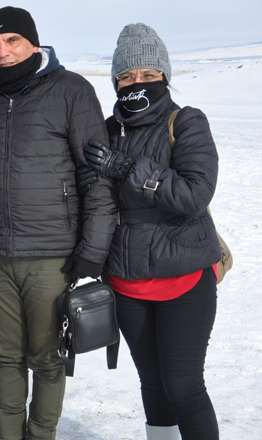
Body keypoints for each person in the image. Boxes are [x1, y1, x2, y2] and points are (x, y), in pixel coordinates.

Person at [0, 7, 117, 440]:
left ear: (32, 42)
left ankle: (40, 435)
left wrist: (92, 248)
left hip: (53, 253)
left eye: (11, 41)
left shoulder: (71, 90)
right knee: (6, 357)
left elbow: (95, 175)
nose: (3, 52)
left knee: (47, 358)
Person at [81, 23, 221, 440]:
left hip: (184, 278)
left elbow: (195, 193)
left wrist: (127, 169)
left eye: (146, 74)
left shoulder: (187, 122)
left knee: (184, 386)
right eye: (125, 77)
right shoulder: (107, 131)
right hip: (127, 283)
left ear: (164, 76)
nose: (135, 83)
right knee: (153, 385)